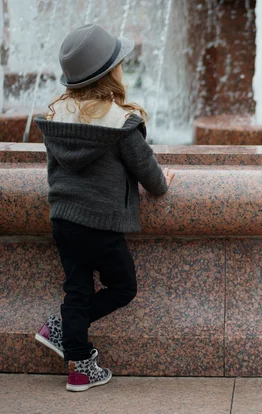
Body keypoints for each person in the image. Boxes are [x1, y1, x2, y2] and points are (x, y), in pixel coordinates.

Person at [33, 24, 175, 391]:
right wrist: (163, 185)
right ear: (111, 73)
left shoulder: (56, 117)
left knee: (77, 290)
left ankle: (68, 339)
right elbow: (147, 172)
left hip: (63, 219)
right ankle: (74, 353)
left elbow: (55, 168)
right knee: (123, 286)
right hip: (101, 224)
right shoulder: (121, 123)